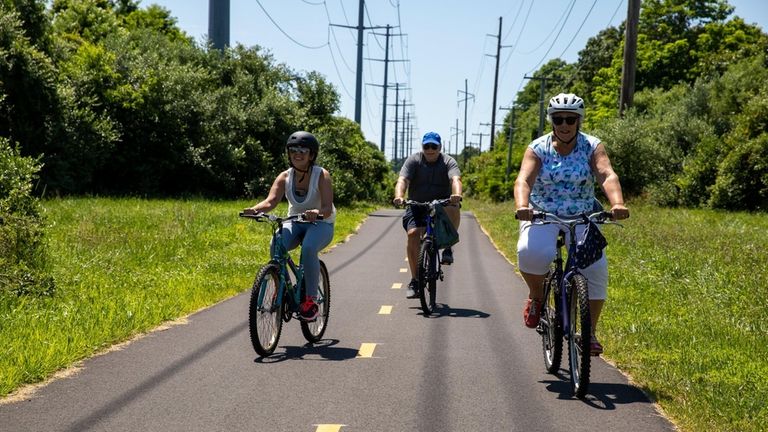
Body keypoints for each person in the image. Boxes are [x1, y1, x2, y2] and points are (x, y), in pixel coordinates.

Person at [514, 93, 629, 355]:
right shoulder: (538, 148)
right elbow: (524, 180)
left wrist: (617, 203)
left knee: (596, 268)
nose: (564, 124)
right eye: (559, 119)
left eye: (570, 119)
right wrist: (522, 206)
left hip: (582, 215)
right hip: (543, 214)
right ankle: (536, 296)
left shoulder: (591, 145)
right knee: (531, 253)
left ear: (579, 120)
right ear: (551, 121)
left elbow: (606, 173)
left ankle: (588, 333)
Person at [243, 131, 336, 320]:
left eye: (303, 150)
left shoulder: (322, 175)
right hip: (295, 220)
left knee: (309, 248)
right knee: (276, 243)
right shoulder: (285, 176)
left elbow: (327, 207)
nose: (297, 154)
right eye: (293, 150)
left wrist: (316, 213)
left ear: (312, 155)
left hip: (321, 223)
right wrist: (254, 209)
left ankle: (310, 299)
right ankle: (280, 289)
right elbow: (270, 201)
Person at [393, 131, 462, 299]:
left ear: (440, 147)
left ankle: (448, 247)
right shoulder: (414, 160)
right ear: (422, 147)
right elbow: (403, 180)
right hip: (417, 205)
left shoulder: (448, 161)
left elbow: (455, 180)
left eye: (434, 146)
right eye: (427, 146)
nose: (430, 150)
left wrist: (457, 194)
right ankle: (415, 280)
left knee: (454, 206)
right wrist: (399, 196)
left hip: (440, 206)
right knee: (413, 234)